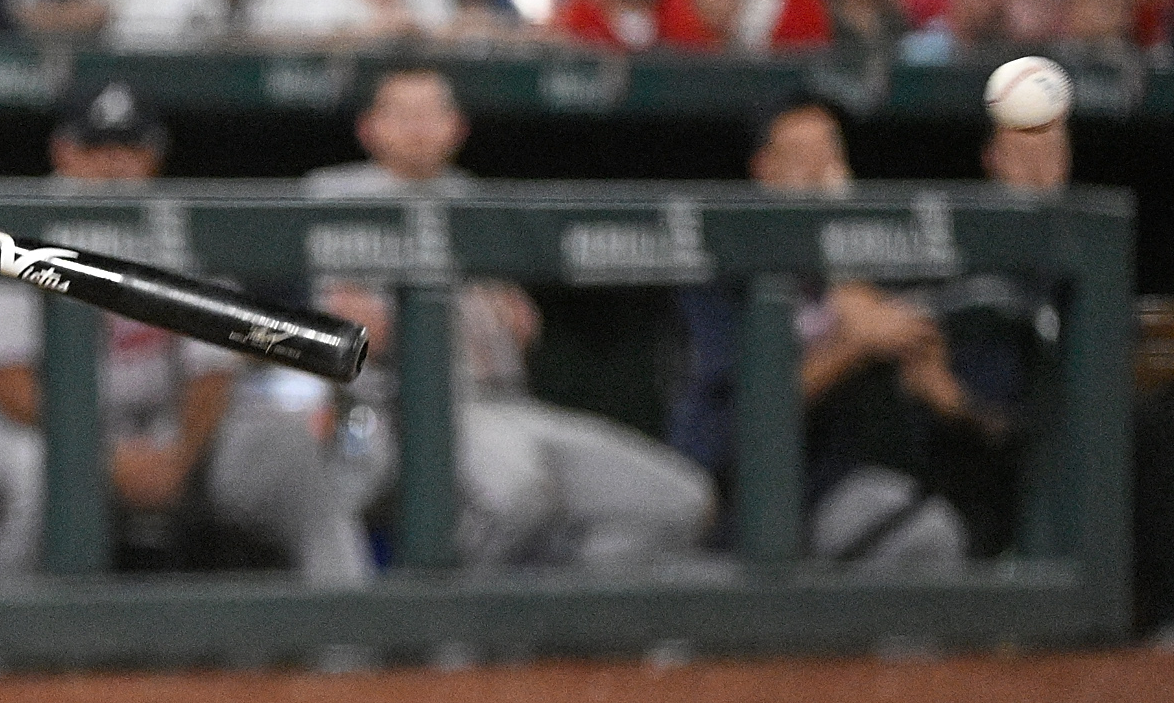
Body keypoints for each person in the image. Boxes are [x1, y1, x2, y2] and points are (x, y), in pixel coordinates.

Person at [0, 81, 374, 581]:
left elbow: (214, 367)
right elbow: (7, 382)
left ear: (153, 156)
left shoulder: (174, 226)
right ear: (62, 151)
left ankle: (346, 641)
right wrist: (97, 450)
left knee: (286, 449)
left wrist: (178, 455)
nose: (112, 165)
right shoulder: (18, 226)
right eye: (95, 147)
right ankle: (5, 646)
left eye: (128, 148)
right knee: (49, 475)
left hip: (166, 430)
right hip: (27, 428)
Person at [312, 69, 713, 571]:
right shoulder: (336, 195)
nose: (419, 127)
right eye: (403, 114)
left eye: (431, 113)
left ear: (457, 127)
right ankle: (441, 634)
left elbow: (519, 324)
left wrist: (511, 317)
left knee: (680, 501)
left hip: (508, 404)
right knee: (518, 495)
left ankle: (548, 625)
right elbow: (337, 322)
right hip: (408, 411)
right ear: (369, 128)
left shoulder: (473, 197)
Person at [668, 98, 970, 570]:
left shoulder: (864, 264)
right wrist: (853, 346)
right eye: (802, 156)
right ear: (764, 169)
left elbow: (932, 386)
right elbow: (753, 415)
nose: (822, 172)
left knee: (928, 536)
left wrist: (937, 387)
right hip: (726, 491)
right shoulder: (721, 266)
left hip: (826, 487)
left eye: (832, 154)